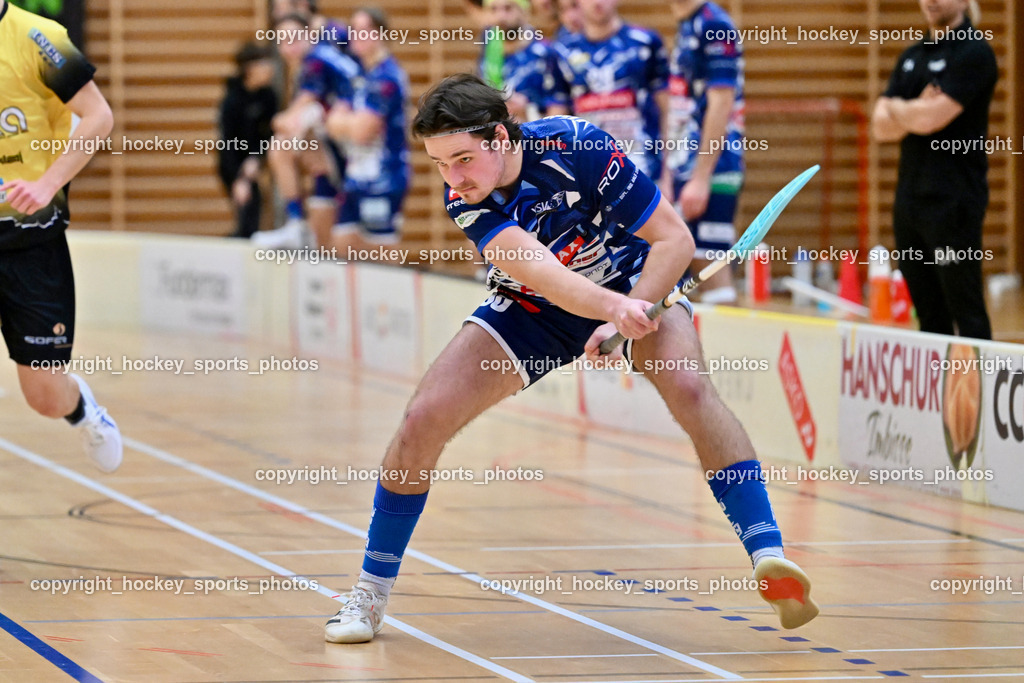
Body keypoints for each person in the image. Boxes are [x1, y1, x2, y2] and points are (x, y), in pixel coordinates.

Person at [323, 74, 819, 644]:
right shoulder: (464, 197)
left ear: (503, 138)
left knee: (688, 387)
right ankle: (369, 592)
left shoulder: (579, 147)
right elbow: (539, 272)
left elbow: (675, 240)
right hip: (534, 307)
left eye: (463, 159)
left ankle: (769, 556)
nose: (454, 178)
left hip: (636, 279)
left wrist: (631, 307)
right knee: (421, 421)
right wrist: (612, 311)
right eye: (440, 164)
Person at [0, 0, 121, 471]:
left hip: (31, 243)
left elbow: (98, 117)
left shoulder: (38, 38)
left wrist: (48, 183)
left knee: (45, 397)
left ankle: (81, 409)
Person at [871, 0, 995, 339]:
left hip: (954, 202)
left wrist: (897, 109)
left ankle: (979, 389)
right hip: (909, 202)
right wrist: (909, 109)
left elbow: (930, 119)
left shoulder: (974, 54)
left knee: (965, 309)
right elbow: (879, 128)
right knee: (927, 314)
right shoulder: (913, 56)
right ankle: (940, 390)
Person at [664, 0, 746, 304]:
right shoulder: (689, 23)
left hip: (714, 167)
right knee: (685, 273)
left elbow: (721, 103)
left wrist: (701, 178)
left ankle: (733, 351)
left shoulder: (714, 24)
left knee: (711, 265)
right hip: (686, 164)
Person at [255, 13, 358, 249]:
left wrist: (282, 121)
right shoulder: (318, 59)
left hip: (358, 146)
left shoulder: (315, 60)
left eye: (293, 38)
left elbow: (291, 117)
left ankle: (296, 224)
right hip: (345, 145)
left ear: (310, 35)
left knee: (280, 146)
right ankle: (303, 225)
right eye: (281, 41)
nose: (287, 47)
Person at [548, 0, 669, 184]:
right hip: (589, 174)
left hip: (646, 168)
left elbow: (667, 111)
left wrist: (668, 175)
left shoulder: (646, 42)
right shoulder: (562, 52)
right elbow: (557, 121)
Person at [325, 7, 409, 251]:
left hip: (383, 178)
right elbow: (331, 122)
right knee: (342, 244)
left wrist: (346, 123)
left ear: (381, 34)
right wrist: (348, 123)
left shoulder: (386, 77)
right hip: (355, 176)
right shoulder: (360, 76)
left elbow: (362, 132)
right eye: (353, 31)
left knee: (380, 254)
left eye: (363, 31)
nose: (356, 37)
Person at [218, 42, 278, 239]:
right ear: (250, 68)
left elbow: (269, 134)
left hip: (254, 161)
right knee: (247, 215)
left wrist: (256, 158)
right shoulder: (232, 100)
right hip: (232, 163)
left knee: (253, 214)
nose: (269, 69)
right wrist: (239, 179)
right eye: (264, 64)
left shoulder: (268, 97)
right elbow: (227, 141)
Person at [478, 0, 562, 123]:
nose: (500, 17)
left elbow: (559, 108)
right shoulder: (489, 51)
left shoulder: (544, 54)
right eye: (493, 9)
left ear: (524, 11)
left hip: (534, 135)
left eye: (508, 8)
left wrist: (527, 111)